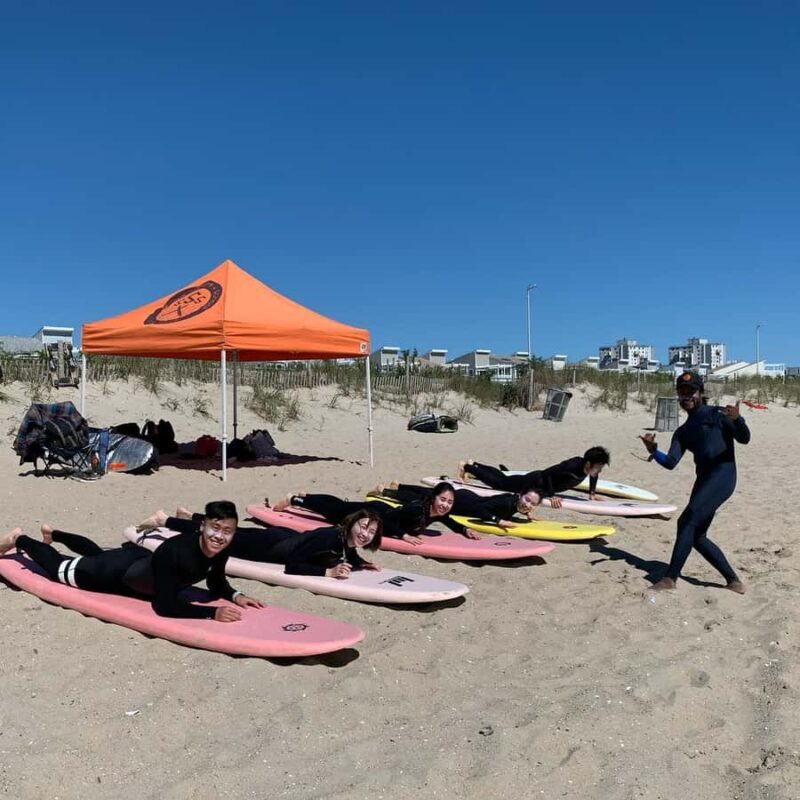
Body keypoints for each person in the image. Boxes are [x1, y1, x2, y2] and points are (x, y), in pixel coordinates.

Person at [1, 501, 264, 621]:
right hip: (117, 574)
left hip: (139, 564)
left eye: (227, 531)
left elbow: (216, 580)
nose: (219, 536)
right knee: (61, 568)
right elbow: (164, 606)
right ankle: (19, 539)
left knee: (99, 554)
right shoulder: (175, 553)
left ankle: (53, 534)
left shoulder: (221, 548)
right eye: (215, 528)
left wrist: (236, 595)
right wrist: (211, 613)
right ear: (201, 526)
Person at [639, 371, 749, 594]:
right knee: (696, 535)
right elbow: (671, 462)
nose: (686, 396)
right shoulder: (683, 431)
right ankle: (733, 581)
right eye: (682, 392)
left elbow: (744, 438)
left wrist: (737, 420)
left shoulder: (719, 414)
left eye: (691, 392)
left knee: (686, 521)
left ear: (700, 393)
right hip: (704, 480)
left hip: (723, 475)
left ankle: (670, 578)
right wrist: (654, 450)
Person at [139, 506, 383, 579]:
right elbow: (292, 565)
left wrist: (361, 562)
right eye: (363, 527)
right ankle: (164, 519)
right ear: (352, 523)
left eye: (371, 532)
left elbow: (347, 552)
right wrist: (327, 572)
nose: (365, 534)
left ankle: (190, 515)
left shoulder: (344, 540)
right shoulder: (329, 537)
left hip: (283, 537)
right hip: (268, 547)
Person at [272, 482, 478, 545]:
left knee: (338, 505)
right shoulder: (417, 508)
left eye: (449, 502)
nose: (445, 505)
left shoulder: (437, 512)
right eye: (442, 500)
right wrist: (404, 535)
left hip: (379, 513)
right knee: (334, 512)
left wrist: (465, 529)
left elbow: (450, 520)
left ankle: (308, 495)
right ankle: (295, 500)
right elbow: (388, 521)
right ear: (433, 497)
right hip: (374, 515)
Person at [457, 446, 611, 505]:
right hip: (535, 482)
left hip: (539, 484)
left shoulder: (590, 469)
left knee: (504, 477)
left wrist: (592, 494)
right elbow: (549, 473)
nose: (599, 470)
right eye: (599, 466)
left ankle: (475, 464)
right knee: (499, 483)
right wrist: (551, 495)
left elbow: (594, 475)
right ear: (589, 463)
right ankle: (467, 467)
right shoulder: (572, 465)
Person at [381, 482, 542, 530]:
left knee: (429, 493)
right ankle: (386, 492)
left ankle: (400, 486)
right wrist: (498, 521)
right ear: (521, 495)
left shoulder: (515, 501)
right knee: (426, 498)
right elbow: (481, 511)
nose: (527, 504)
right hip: (465, 503)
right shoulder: (506, 502)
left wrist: (526, 514)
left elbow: (518, 506)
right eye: (527, 500)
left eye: (532, 504)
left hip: (468, 498)